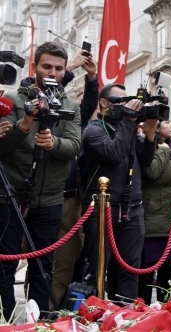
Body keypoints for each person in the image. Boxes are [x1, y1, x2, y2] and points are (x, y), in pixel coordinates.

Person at [0, 41, 81, 318]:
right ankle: (7, 320)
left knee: (44, 265)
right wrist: (24, 126)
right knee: (5, 265)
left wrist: (52, 143)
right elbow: (2, 148)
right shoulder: (12, 98)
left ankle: (40, 321)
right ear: (35, 67)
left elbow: (73, 146)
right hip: (9, 195)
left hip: (49, 199)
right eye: (47, 66)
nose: (53, 73)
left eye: (59, 68)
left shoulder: (71, 105)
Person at [82, 83, 158, 301]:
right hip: (103, 207)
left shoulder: (128, 128)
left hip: (133, 207)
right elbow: (114, 153)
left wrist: (151, 134)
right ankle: (95, 316)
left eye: (128, 100)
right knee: (98, 268)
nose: (126, 105)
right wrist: (129, 121)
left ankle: (124, 317)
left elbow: (144, 161)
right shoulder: (94, 129)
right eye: (120, 101)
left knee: (129, 269)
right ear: (103, 103)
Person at [50, 49, 100, 306]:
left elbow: (89, 106)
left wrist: (91, 78)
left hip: (70, 201)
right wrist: (69, 69)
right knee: (36, 261)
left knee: (65, 263)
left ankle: (51, 313)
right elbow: (47, 92)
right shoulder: (38, 111)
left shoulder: (72, 123)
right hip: (39, 199)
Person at [138, 120, 171, 303]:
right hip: (155, 215)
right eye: (166, 122)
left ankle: (165, 308)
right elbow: (151, 173)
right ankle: (143, 307)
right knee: (149, 266)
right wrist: (164, 150)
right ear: (157, 127)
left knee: (168, 268)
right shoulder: (149, 146)